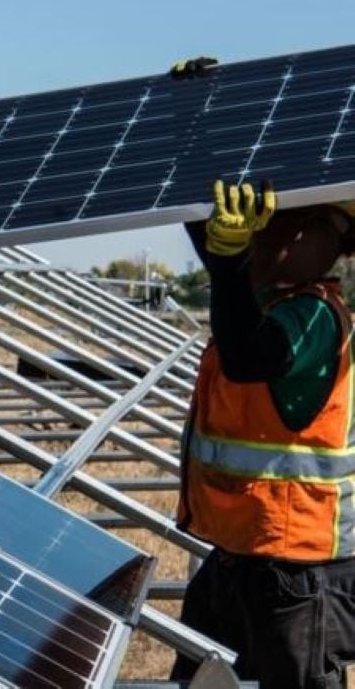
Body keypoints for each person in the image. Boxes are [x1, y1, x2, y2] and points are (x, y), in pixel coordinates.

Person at [172, 178, 355, 687]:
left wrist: (228, 261)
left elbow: (249, 354)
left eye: (284, 223)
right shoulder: (267, 301)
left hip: (296, 569)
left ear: (328, 240)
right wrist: (186, 165)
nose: (267, 235)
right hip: (241, 556)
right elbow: (226, 272)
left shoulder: (312, 314)